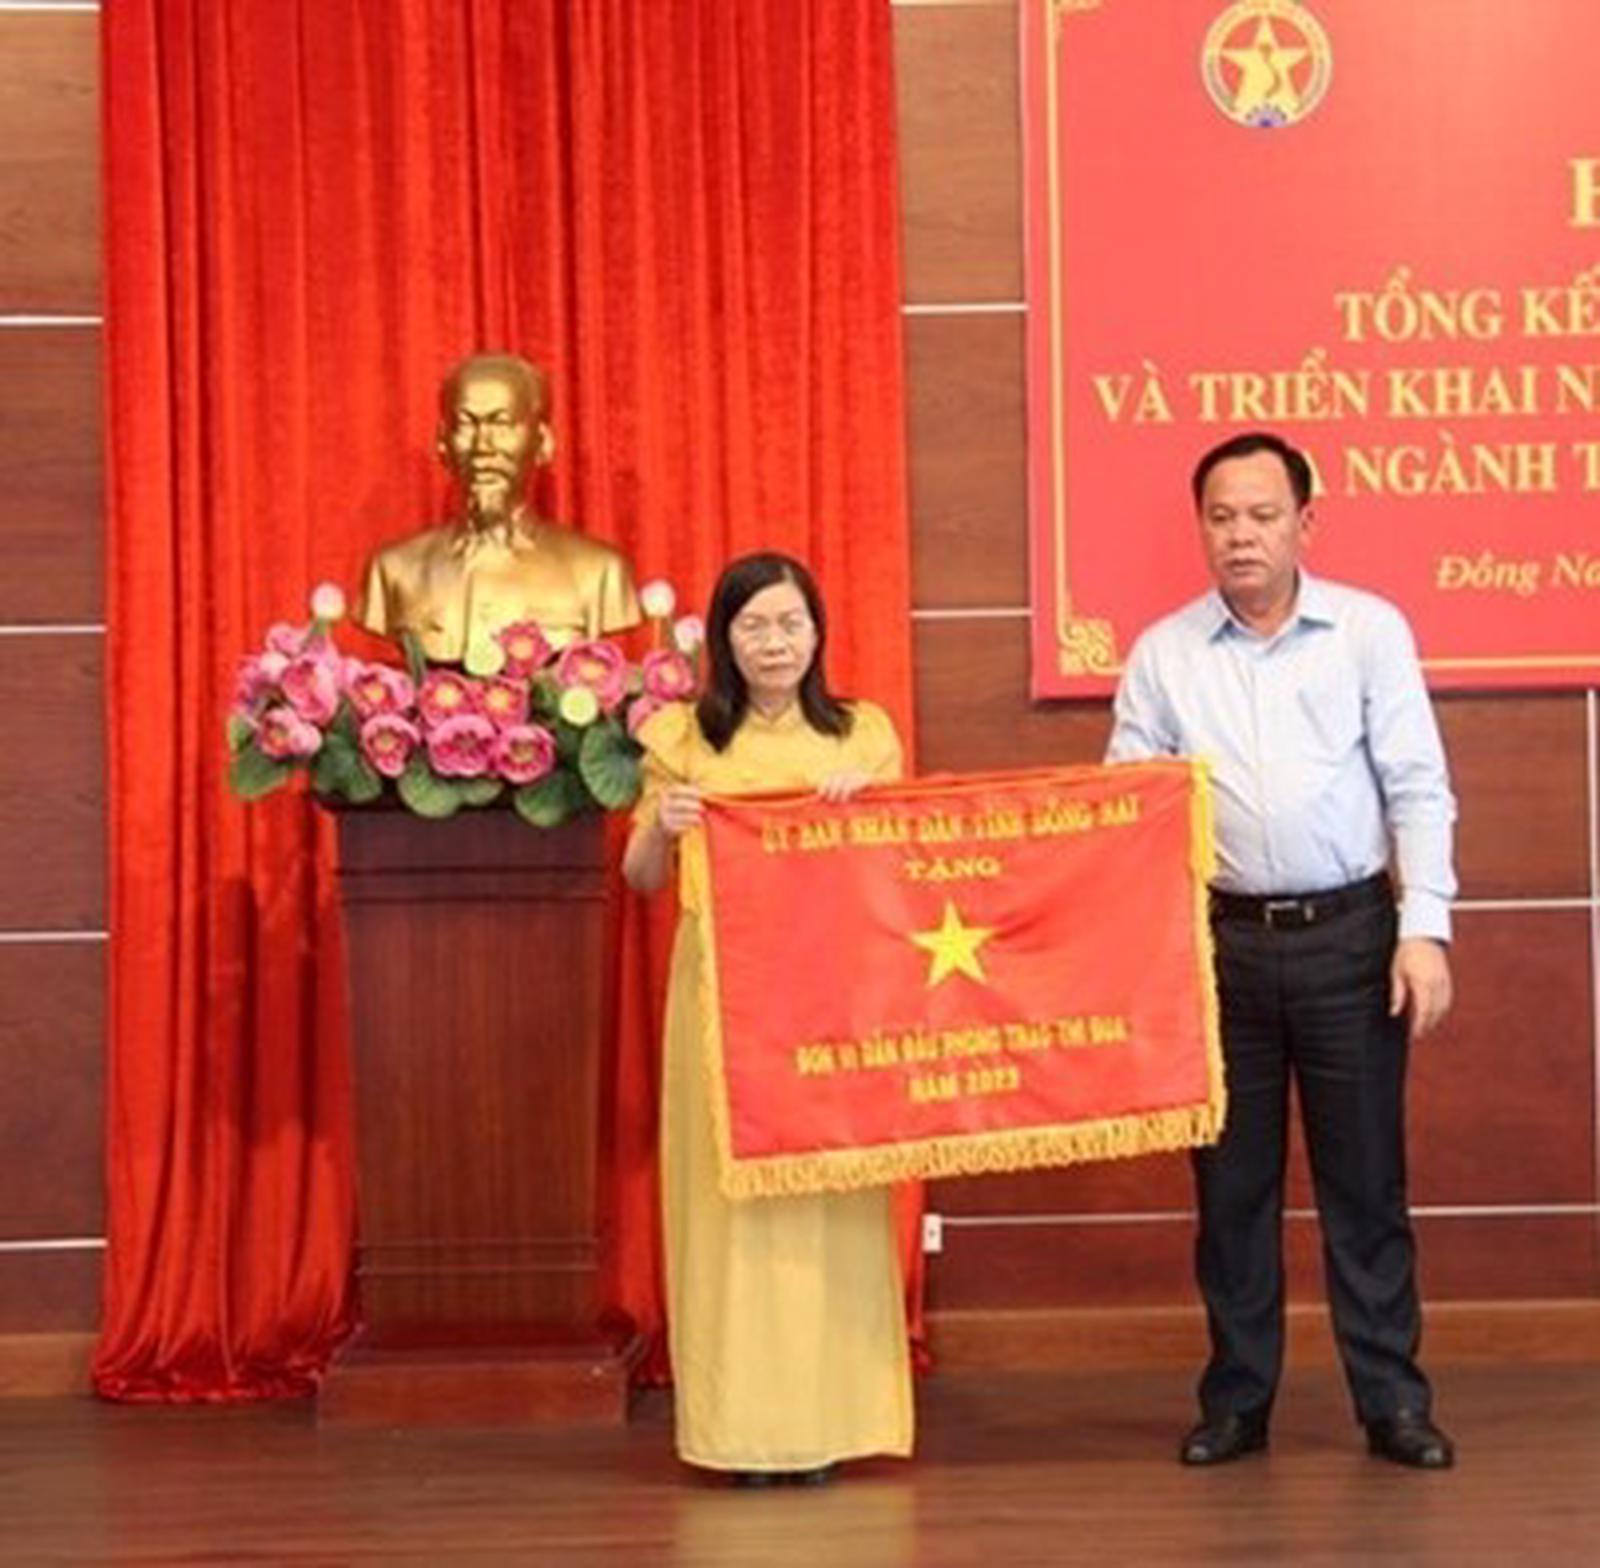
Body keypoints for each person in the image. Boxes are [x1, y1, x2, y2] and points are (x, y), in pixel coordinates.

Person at [1106, 431, 1458, 1470]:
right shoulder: (1164, 653)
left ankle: (1392, 1401)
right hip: (1221, 948)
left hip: (1352, 939)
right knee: (1232, 1193)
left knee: (1366, 1185)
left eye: (1262, 515)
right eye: (1221, 517)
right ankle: (1237, 1400)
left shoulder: (1367, 631)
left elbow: (1417, 784)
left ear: (1306, 521)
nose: (1241, 536)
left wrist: (1423, 927)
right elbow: (1127, 804)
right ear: (1200, 528)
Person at [623, 551, 914, 1484]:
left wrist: (867, 809)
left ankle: (831, 1423)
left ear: (818, 633)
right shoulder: (681, 738)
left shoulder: (862, 736)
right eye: (753, 626)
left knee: (829, 1200)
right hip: (721, 996)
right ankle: (740, 1431)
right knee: (730, 1208)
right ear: (724, 638)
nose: (774, 643)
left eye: (791, 623)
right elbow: (640, 878)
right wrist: (661, 826)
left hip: (830, 1000)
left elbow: (903, 866)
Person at [357, 353, 638, 662]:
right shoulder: (394, 570)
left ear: (543, 441)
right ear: (442, 442)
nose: (483, 447)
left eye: (502, 424)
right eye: (466, 424)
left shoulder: (599, 573)